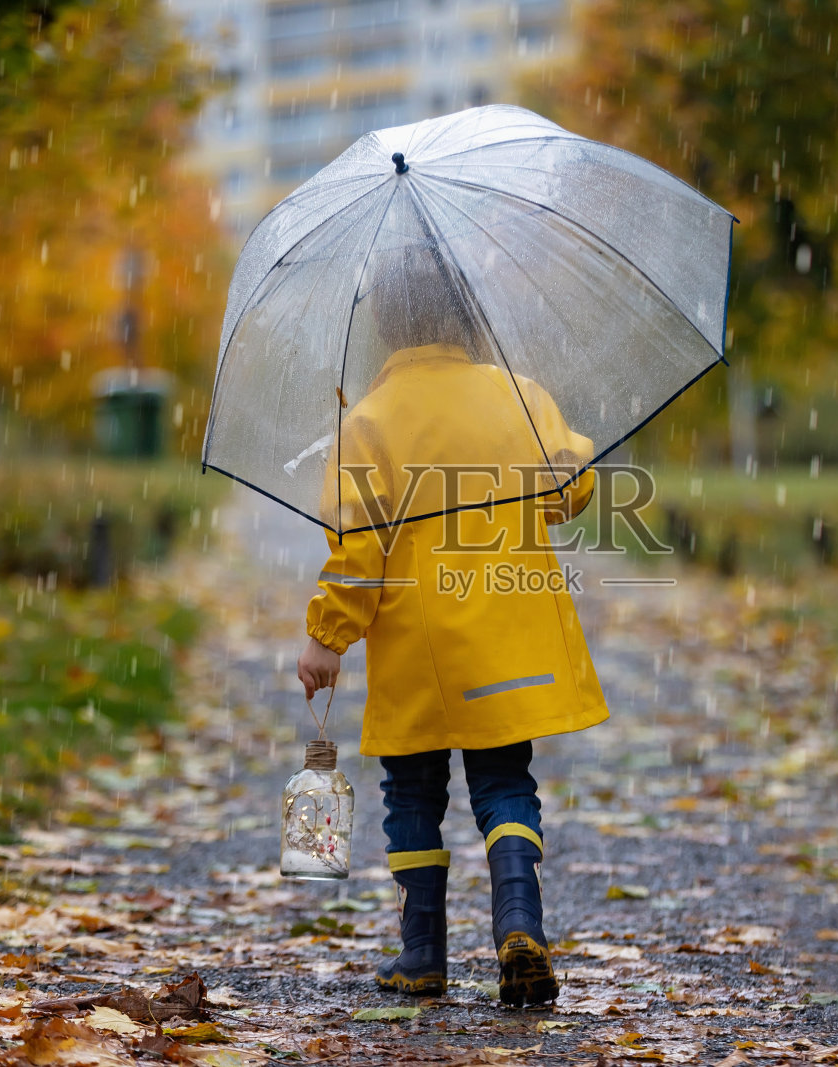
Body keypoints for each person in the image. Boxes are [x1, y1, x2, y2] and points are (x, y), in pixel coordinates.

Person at [295, 233, 607, 1008]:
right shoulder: (522, 395)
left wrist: (326, 636)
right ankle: (517, 922)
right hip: (509, 640)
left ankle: (422, 952)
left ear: (388, 327)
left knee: (412, 793)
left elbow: (358, 554)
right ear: (469, 314)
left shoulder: (367, 422)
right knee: (506, 782)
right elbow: (568, 489)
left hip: (419, 655)